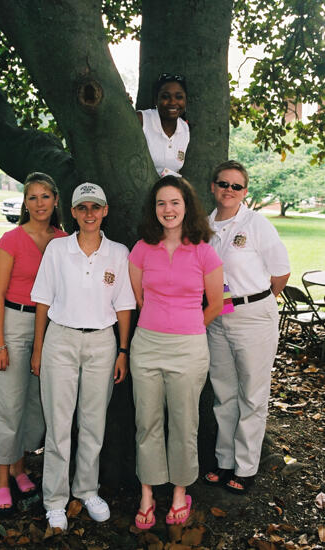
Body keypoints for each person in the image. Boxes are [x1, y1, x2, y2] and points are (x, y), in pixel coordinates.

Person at [30, 182, 136, 532]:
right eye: (82, 207)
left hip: (102, 344)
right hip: (60, 340)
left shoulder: (118, 253)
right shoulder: (58, 249)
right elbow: (43, 300)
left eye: (96, 207)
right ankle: (55, 500)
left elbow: (123, 305)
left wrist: (122, 350)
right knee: (59, 425)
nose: (89, 213)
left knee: (93, 423)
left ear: (105, 211)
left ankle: (86, 490)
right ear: (73, 212)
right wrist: (38, 348)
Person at [129, 175, 223, 529]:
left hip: (189, 347)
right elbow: (138, 298)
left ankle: (181, 491)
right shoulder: (141, 248)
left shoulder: (203, 250)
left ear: (187, 207)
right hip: (147, 346)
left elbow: (217, 303)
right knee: (147, 422)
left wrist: (188, 325)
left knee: (184, 423)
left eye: (175, 203)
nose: (168, 210)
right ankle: (148, 493)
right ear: (154, 210)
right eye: (161, 203)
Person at [205, 160, 291, 494]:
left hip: (254, 316)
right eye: (223, 183)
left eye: (236, 186)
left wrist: (253, 302)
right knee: (224, 394)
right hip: (218, 317)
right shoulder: (205, 226)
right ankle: (224, 461)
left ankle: (245, 467)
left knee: (252, 395)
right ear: (213, 187)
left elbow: (281, 272)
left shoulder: (257, 224)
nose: (228, 190)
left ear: (245, 192)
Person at [0, 172, 66, 515]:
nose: (39, 203)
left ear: (55, 200)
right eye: (32, 197)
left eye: (45, 196)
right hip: (15, 322)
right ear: (25, 203)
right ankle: (3, 479)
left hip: (51, 327)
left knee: (36, 407)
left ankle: (20, 467)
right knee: (10, 405)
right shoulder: (11, 240)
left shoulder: (64, 240)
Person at [137, 73, 189, 176]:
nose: (173, 102)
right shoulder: (142, 120)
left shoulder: (184, 128)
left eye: (179, 97)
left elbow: (174, 169)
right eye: (165, 97)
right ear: (156, 100)